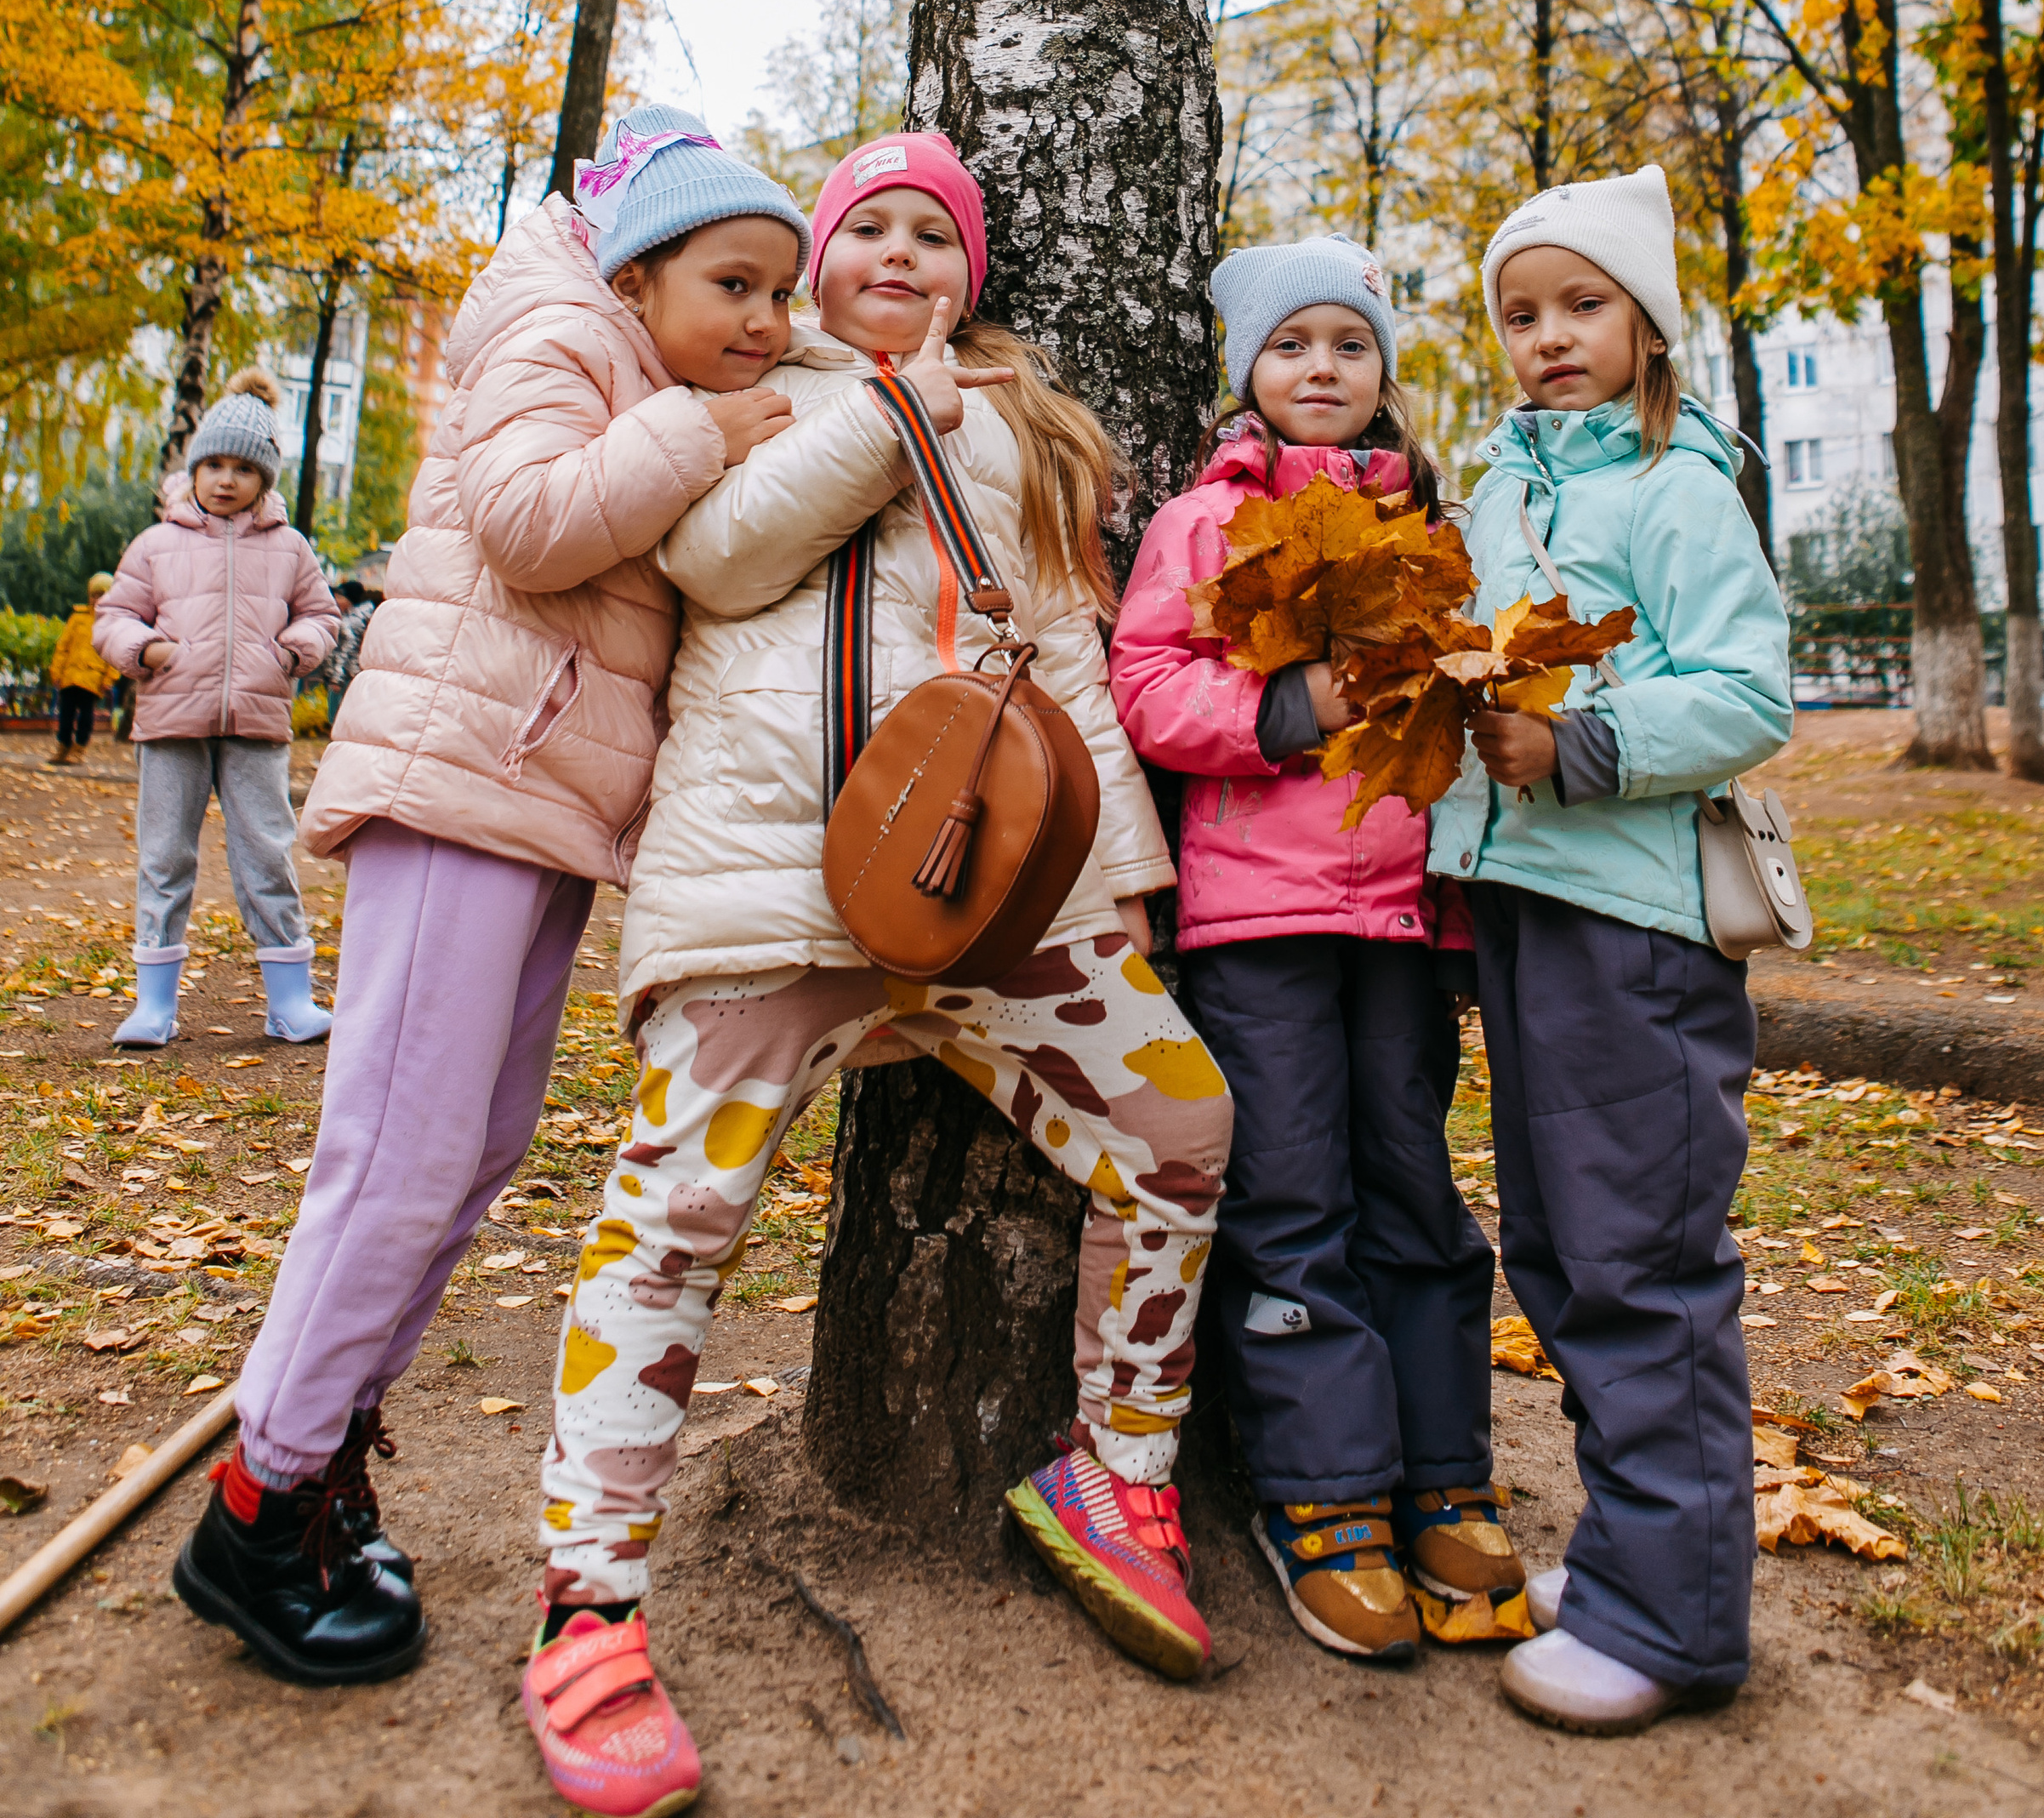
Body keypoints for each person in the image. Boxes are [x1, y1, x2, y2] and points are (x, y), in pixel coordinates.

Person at [523, 130, 1232, 1817]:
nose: (901, 256)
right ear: (812, 262)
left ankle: (1116, 1479)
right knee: (673, 1212)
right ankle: (588, 1600)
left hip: (993, 887)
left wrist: (1119, 880)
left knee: (1180, 1133)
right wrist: (888, 405)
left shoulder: (1025, 424)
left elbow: (1061, 647)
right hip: (768, 883)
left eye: (934, 235)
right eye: (869, 231)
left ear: (971, 269)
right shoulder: (744, 387)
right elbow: (719, 561)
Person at [169, 111, 810, 1694]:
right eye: (736, 283)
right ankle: (258, 1504)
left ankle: (320, 1462)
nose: (764, 324)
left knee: (473, 1152)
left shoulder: (645, 362)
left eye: (779, 296)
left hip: (536, 804)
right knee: (395, 1159)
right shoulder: (554, 324)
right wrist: (713, 439)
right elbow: (527, 527)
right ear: (642, 261)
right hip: (460, 780)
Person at [1110, 235, 1517, 1667]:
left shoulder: (1433, 519)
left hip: (1405, 922)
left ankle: (1441, 1473)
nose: (1323, 370)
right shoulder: (1204, 520)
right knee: (1292, 1202)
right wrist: (1288, 708)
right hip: (1260, 920)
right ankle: (1324, 1495)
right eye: (1293, 348)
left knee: (1416, 1193)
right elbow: (1148, 686)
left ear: (1383, 371)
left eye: (1349, 346)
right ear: (1250, 374)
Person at [1441, 166, 1791, 1738]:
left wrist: (1579, 742)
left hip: (1637, 927)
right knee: (1565, 1253)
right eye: (1521, 313)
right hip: (1522, 913)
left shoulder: (1679, 490)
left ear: (1648, 325)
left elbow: (1747, 693)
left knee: (1639, 1258)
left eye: (1582, 305)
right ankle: (1651, 1550)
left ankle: (1677, 1623)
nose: (1548, 337)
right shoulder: (1503, 492)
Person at [96, 373, 339, 1052]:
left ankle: (291, 1004)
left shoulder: (290, 548)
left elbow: (322, 615)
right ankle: (153, 1008)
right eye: (213, 465)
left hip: (257, 724)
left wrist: (292, 652)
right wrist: (147, 649)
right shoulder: (155, 544)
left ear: (264, 478)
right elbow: (114, 615)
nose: (226, 480)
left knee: (267, 853)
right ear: (194, 469)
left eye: (242, 468)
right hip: (172, 720)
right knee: (165, 856)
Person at [48, 572, 117, 763]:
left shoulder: (113, 623)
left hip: (93, 678)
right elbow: (63, 646)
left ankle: (79, 750)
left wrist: (109, 679)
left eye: (103, 595)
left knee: (86, 717)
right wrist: (57, 671)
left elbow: (114, 654)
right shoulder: (77, 618)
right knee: (66, 714)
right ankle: (63, 747)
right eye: (95, 595)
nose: (98, 599)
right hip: (70, 676)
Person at [319, 580, 377, 727]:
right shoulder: (354, 618)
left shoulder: (352, 622)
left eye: (339, 597)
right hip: (349, 675)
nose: (336, 601)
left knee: (337, 718)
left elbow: (346, 651)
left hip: (347, 676)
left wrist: (337, 678)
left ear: (349, 599)